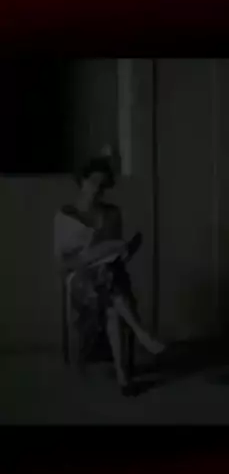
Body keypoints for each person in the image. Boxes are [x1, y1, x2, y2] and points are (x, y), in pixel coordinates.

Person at [54, 156, 165, 395]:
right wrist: (89, 259)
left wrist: (125, 250)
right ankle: (140, 334)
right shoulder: (65, 215)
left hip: (108, 273)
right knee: (111, 291)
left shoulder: (112, 214)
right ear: (82, 181)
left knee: (111, 292)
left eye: (103, 185)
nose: (98, 189)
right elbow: (62, 263)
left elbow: (116, 253)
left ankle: (124, 376)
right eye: (94, 182)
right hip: (79, 278)